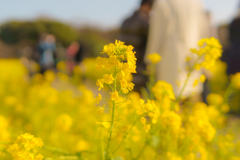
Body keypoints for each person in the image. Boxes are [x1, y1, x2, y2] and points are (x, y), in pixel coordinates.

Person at [145, 0, 208, 98]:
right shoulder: (197, 3)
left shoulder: (162, 2)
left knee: (172, 97)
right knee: (193, 95)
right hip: (194, 53)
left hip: (170, 57)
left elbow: (156, 34)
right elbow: (204, 30)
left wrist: (150, 59)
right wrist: (203, 57)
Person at [118, 0, 154, 92]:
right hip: (139, 66)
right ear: (148, 6)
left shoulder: (126, 20)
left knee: (126, 95)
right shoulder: (145, 22)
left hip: (123, 65)